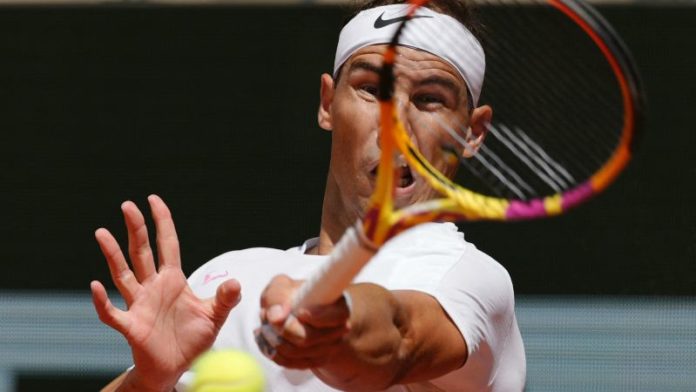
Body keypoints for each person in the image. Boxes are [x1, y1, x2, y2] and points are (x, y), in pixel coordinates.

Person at [92, 1, 526, 391]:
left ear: (471, 134)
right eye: (373, 90)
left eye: (430, 99)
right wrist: (148, 382)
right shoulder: (225, 280)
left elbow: (400, 333)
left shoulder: (466, 278)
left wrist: (332, 330)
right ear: (327, 103)